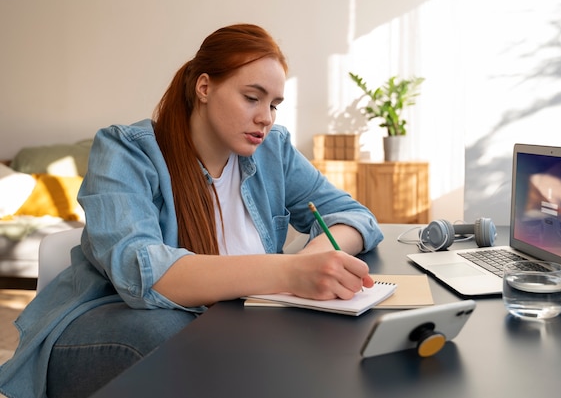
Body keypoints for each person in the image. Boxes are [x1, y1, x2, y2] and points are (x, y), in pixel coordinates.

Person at [0, 24, 383, 398]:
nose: (266, 116)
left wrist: (316, 260)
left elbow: (353, 216)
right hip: (109, 324)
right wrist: (288, 271)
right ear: (204, 87)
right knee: (173, 333)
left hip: (226, 331)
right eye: (252, 97)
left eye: (274, 105)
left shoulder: (273, 150)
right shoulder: (126, 151)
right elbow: (145, 272)